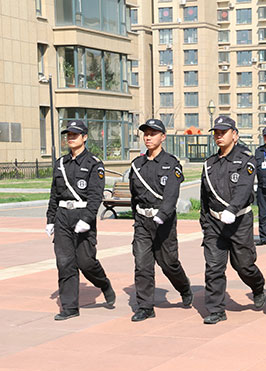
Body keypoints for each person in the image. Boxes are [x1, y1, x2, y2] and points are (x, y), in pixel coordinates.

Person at [45, 120, 115, 320]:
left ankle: (103, 283)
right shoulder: (61, 163)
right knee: (64, 263)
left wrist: (87, 219)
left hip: (82, 216)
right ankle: (69, 308)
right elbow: (54, 194)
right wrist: (50, 219)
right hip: (62, 217)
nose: (71, 138)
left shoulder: (93, 163)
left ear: (84, 137)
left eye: (75, 135)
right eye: (68, 135)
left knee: (86, 262)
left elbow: (95, 195)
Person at [200, 115, 266, 324]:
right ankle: (216, 310)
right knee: (214, 267)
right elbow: (204, 197)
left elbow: (244, 188)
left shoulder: (246, 159)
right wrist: (205, 222)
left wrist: (232, 209)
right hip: (215, 224)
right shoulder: (209, 164)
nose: (219, 136)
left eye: (223, 132)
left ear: (235, 135)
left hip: (239, 222)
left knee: (243, 265)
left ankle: (257, 286)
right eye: (216, 133)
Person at [128, 119, 193, 322]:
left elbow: (171, 194)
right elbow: (134, 195)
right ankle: (145, 306)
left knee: (169, 263)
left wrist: (162, 215)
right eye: (146, 134)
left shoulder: (171, 163)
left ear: (163, 137)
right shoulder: (137, 165)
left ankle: (184, 287)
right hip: (142, 222)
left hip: (163, 222)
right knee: (142, 264)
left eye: (153, 134)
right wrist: (138, 216)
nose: (148, 137)